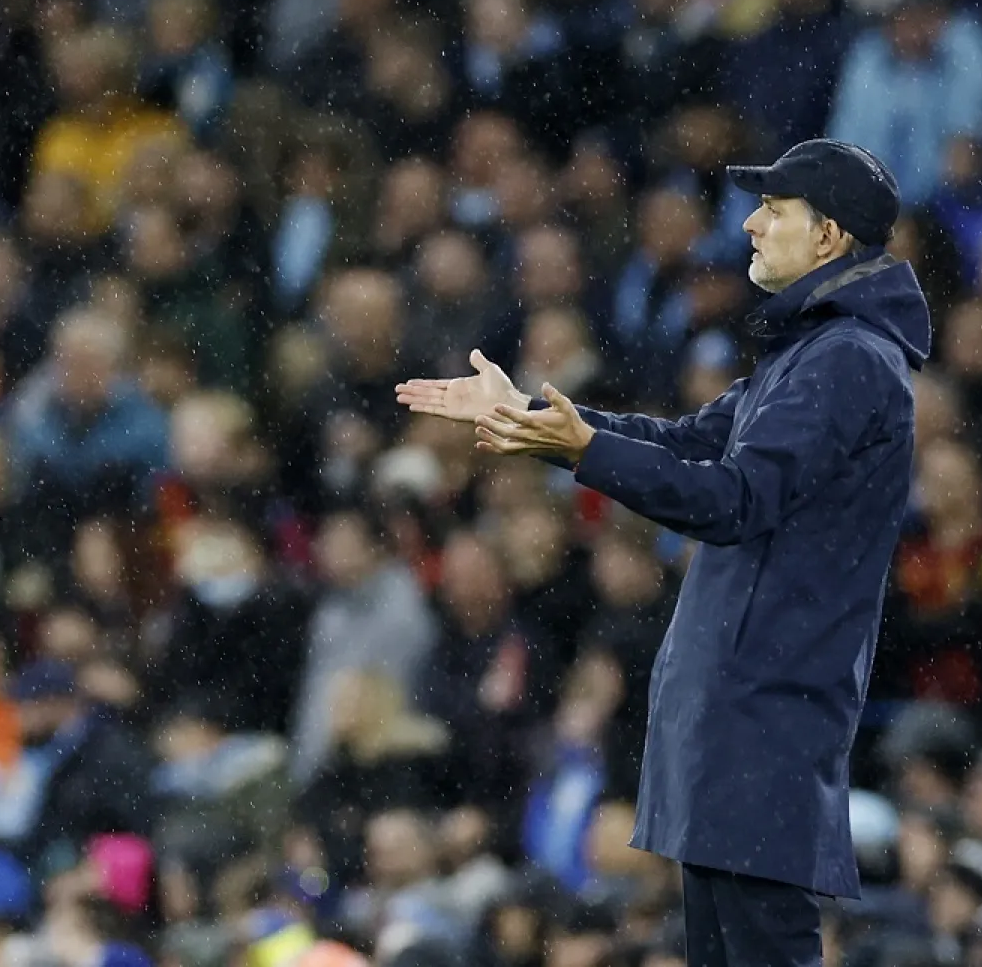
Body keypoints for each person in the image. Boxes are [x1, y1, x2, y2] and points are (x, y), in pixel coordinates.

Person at [398, 138, 931, 966]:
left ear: (828, 239)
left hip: (768, 705)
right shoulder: (811, 353)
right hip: (738, 705)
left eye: (775, 212)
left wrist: (579, 450)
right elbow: (685, 441)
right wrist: (538, 420)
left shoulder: (850, 361)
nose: (751, 225)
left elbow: (732, 498)